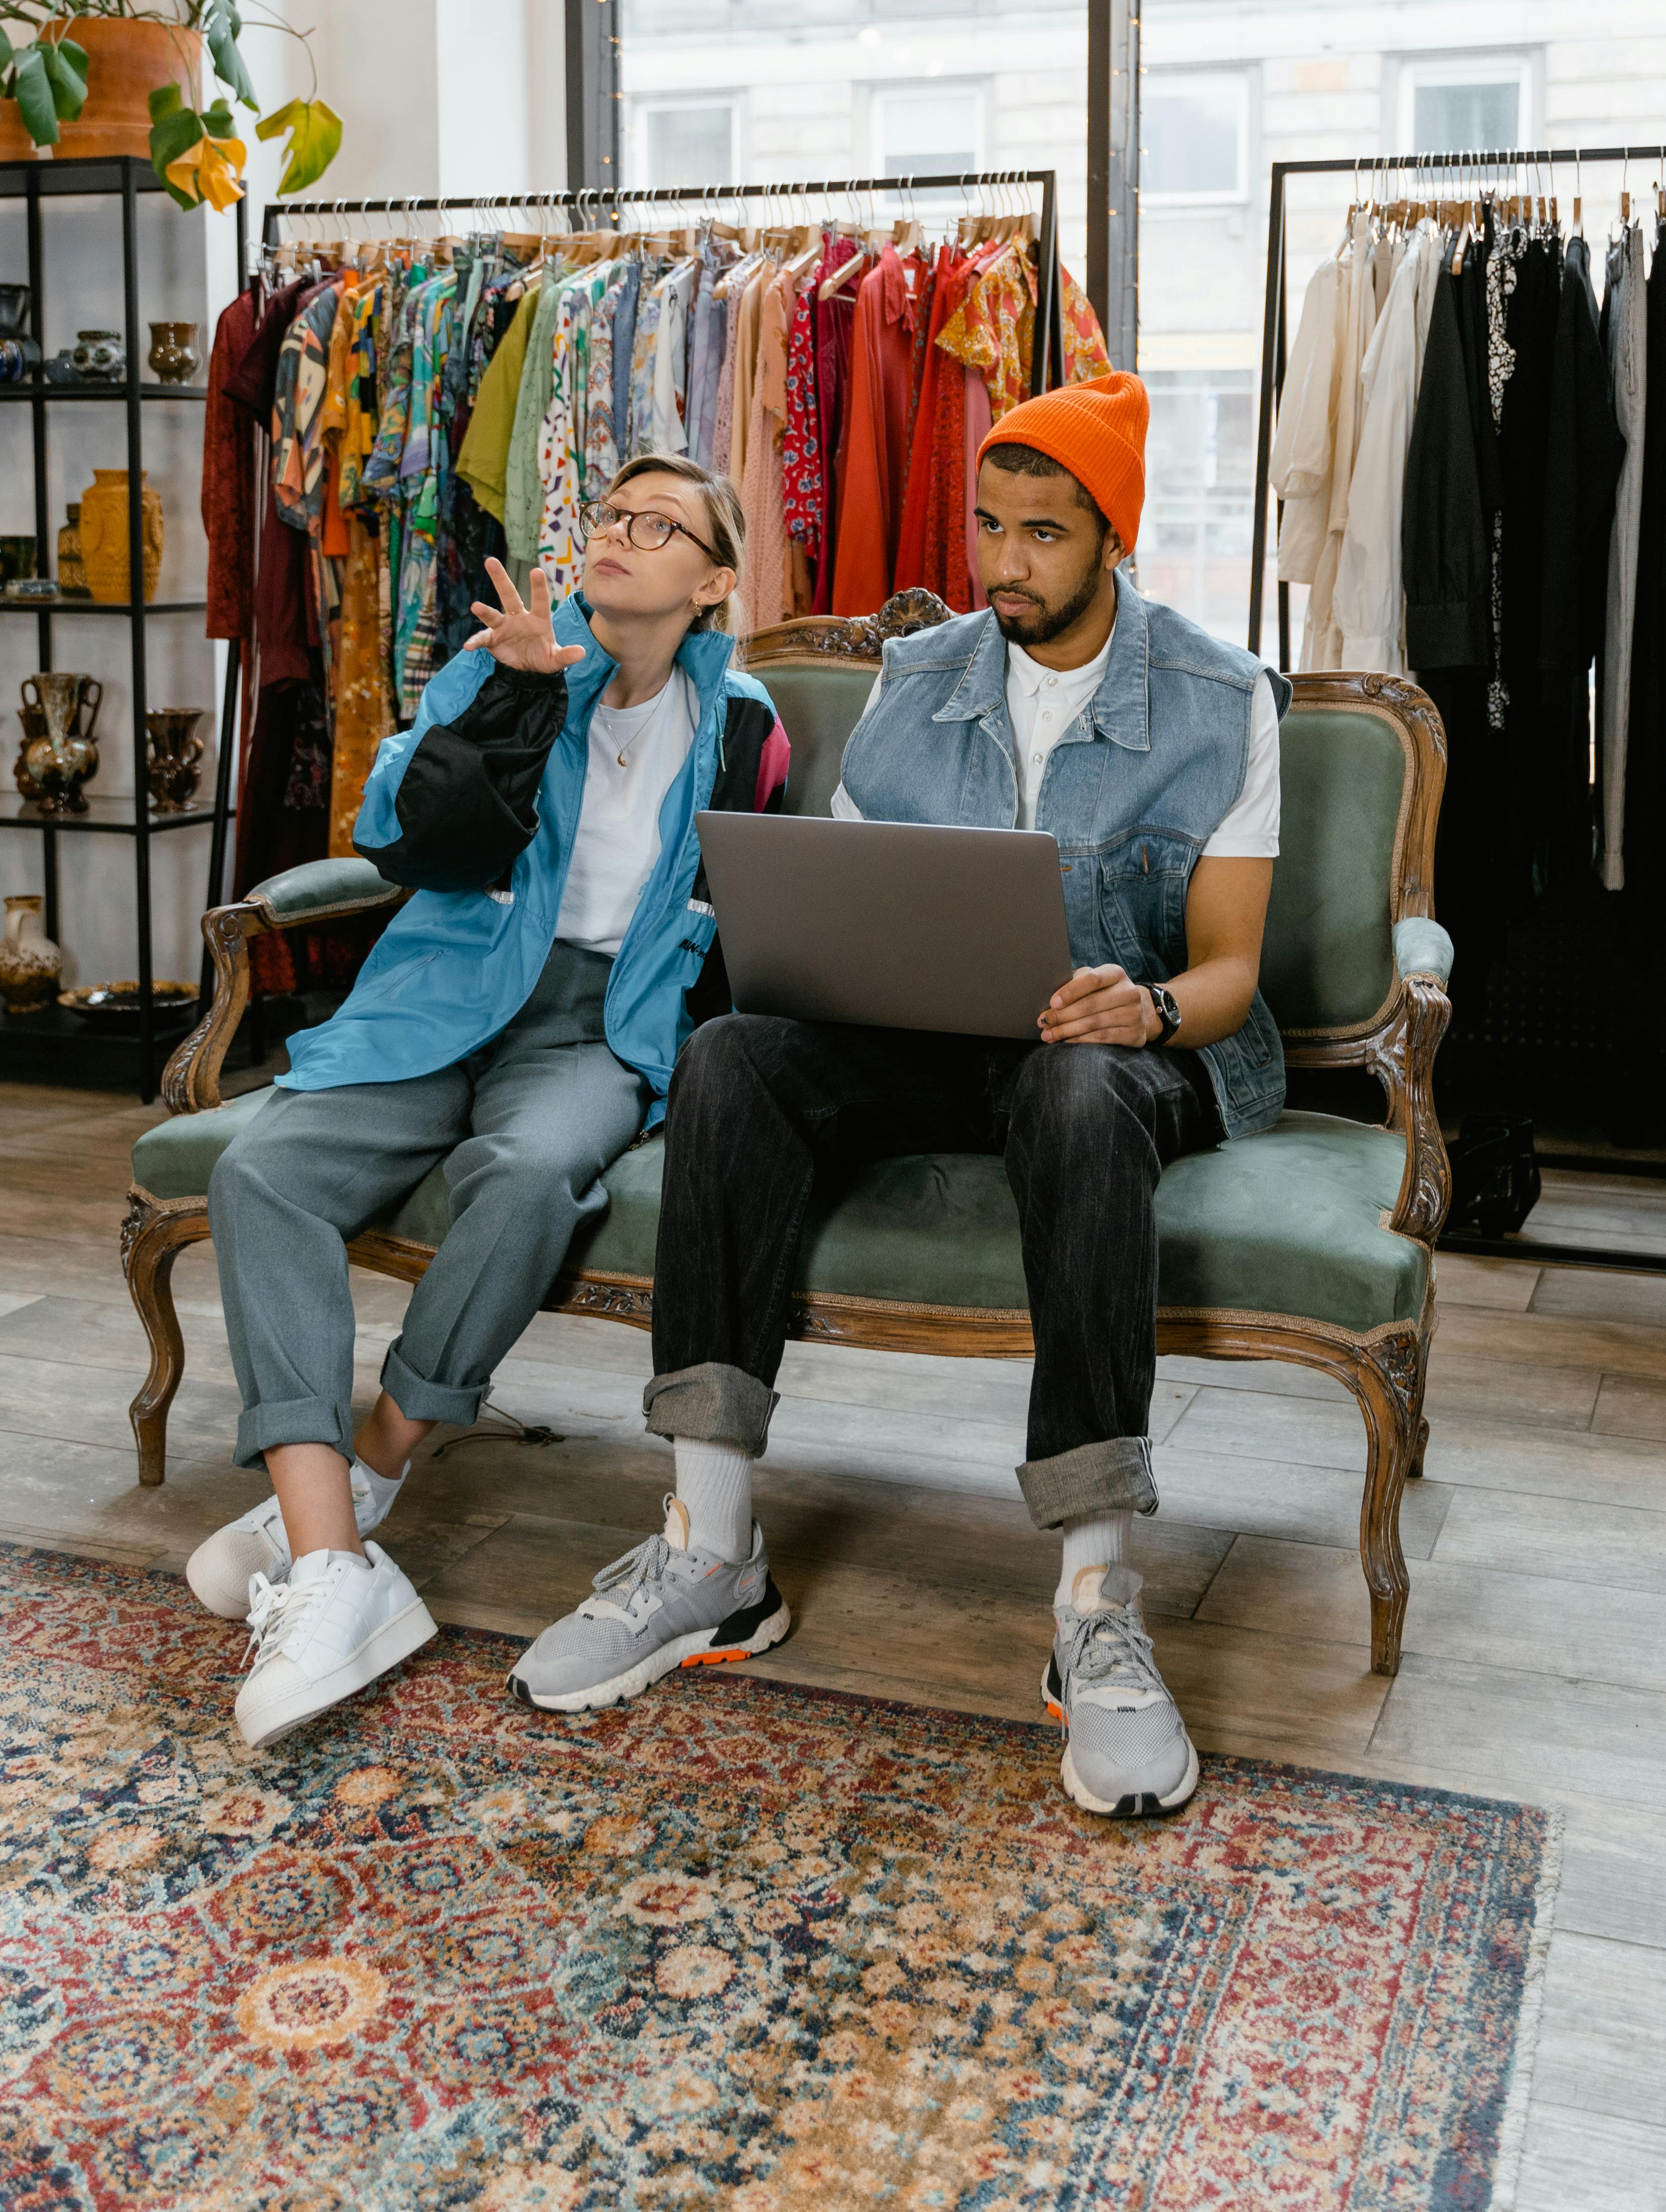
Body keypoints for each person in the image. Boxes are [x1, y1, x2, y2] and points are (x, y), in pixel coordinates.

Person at [512, 373, 1288, 1820]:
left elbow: (1234, 969)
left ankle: (1094, 1602)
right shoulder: (919, 674)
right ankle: (710, 1553)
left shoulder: (1216, 694)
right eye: (988, 527)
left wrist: (1148, 1005)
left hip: (1127, 1052)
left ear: (1110, 534)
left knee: (1078, 1090)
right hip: (933, 1036)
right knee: (733, 1054)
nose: (1003, 565)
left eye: (1042, 535)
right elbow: (858, 904)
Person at [193, 452, 790, 1750]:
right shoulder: (504, 658)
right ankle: (333, 1557)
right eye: (611, 514)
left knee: (526, 1173)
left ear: (717, 579)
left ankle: (373, 1472)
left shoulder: (744, 723)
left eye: (659, 523)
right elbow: (408, 841)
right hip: (448, 992)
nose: (620, 536)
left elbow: (759, 916)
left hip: (602, 1024)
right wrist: (515, 700)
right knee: (260, 1170)